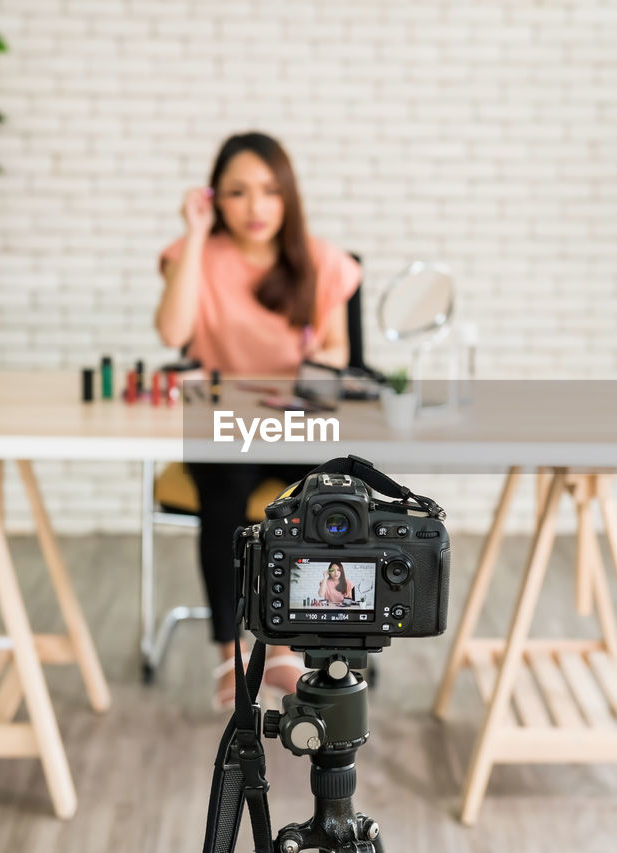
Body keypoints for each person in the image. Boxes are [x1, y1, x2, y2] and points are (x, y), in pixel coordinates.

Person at [154, 131, 361, 710]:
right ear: (215, 199)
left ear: (288, 196)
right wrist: (195, 234)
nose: (255, 207)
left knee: (324, 491)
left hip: (293, 422)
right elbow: (172, 333)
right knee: (222, 494)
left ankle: (283, 650)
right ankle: (229, 655)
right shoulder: (193, 254)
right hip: (223, 428)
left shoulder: (320, 260)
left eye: (269, 191)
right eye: (237, 192)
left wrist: (318, 366)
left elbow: (343, 348)